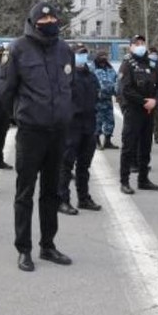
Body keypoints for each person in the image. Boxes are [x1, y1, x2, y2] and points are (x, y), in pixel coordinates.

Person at [0, 1, 74, 272]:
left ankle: (48, 245)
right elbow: (3, 91)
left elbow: (69, 85)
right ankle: (24, 248)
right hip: (31, 132)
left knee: (51, 191)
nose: (49, 22)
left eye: (53, 17)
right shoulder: (17, 49)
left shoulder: (64, 50)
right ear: (33, 21)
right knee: (25, 191)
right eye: (44, 18)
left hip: (58, 131)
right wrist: (21, 115)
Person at [58, 46, 102, 215]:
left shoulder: (91, 76)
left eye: (84, 53)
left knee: (84, 165)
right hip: (72, 125)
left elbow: (97, 96)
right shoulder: (66, 75)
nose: (82, 57)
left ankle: (83, 198)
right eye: (78, 54)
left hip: (89, 124)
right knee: (66, 164)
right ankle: (62, 200)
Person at [117, 35, 158, 195]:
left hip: (149, 111)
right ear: (131, 46)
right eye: (136, 43)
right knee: (128, 147)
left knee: (146, 146)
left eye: (143, 43)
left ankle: (143, 179)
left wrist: (155, 100)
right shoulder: (127, 64)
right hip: (134, 110)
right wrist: (144, 101)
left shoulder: (152, 63)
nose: (140, 45)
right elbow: (126, 90)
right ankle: (124, 181)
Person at [93, 51, 118, 150]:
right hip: (97, 100)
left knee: (110, 121)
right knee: (97, 121)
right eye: (101, 56)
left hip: (108, 99)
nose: (103, 58)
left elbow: (116, 82)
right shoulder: (92, 69)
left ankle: (107, 141)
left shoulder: (110, 69)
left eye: (105, 56)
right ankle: (97, 141)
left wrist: (117, 94)